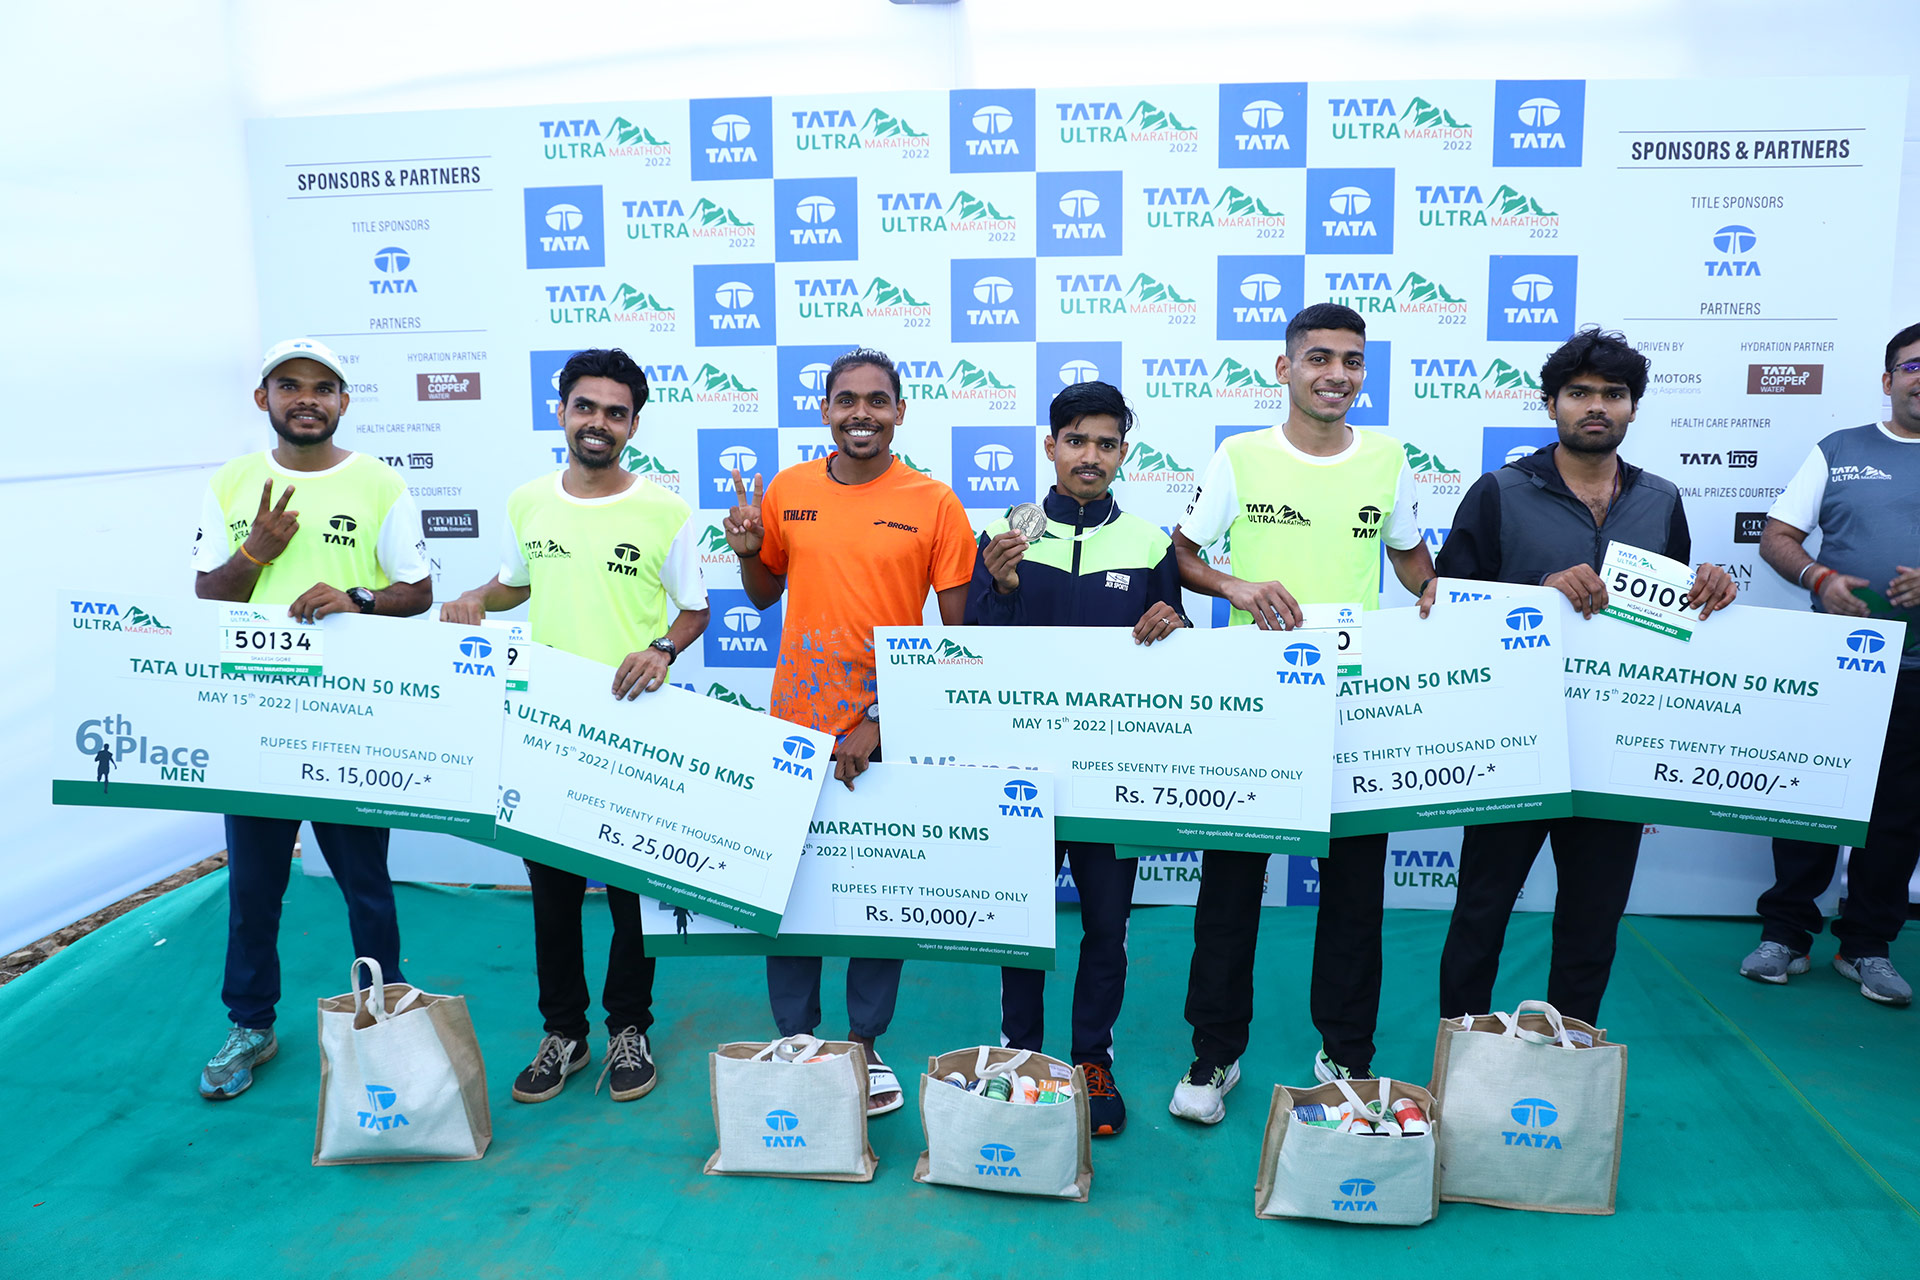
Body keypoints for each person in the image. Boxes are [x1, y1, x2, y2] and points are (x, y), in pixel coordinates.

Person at [1166, 304, 1437, 1125]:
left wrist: (1442, 598)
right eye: (1319, 358)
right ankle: (1214, 1055)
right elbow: (1183, 555)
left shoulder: (1389, 459)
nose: (1336, 374)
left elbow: (1411, 558)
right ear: (1284, 369)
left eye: (1351, 360)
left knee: (1354, 894)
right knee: (1230, 892)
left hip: (1354, 709)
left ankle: (1346, 1054)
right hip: (1255, 710)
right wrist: (1236, 586)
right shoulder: (1240, 456)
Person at [1435, 327, 1736, 1025]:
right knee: (1481, 911)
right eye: (1578, 393)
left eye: (1613, 393)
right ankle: (1462, 1050)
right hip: (1515, 742)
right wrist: (1538, 591)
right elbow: (1446, 606)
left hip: (1615, 749)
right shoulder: (1499, 491)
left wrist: (1709, 590)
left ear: (1633, 407)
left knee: (1593, 920)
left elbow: (1671, 620)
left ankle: (1570, 1055)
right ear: (1551, 404)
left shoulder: (1661, 499)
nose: (1596, 406)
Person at [442, 347, 710, 1100]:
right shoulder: (528, 501)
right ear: (560, 411)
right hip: (546, 732)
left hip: (632, 733)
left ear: (633, 426)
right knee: (553, 898)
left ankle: (630, 1028)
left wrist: (661, 650)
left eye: (615, 413)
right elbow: (514, 584)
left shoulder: (665, 511)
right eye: (585, 406)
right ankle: (564, 1032)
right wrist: (475, 598)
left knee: (630, 898)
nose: (599, 422)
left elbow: (694, 610)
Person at [723, 346, 975, 1115]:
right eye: (846, 400)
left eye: (876, 400)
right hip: (792, 728)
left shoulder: (935, 502)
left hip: (882, 733)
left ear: (900, 412)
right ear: (825, 410)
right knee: (790, 894)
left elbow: (959, 640)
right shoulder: (788, 489)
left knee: (875, 890)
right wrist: (747, 556)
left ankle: (865, 1044)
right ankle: (796, 1040)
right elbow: (763, 594)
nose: (861, 413)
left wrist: (881, 719)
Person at [191, 337, 432, 1099]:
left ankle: (384, 1012)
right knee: (254, 888)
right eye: (289, 385)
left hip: (348, 722)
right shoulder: (232, 482)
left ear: (343, 402)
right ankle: (250, 1024)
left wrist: (356, 598)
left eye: (322, 388)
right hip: (257, 720)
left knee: (367, 886)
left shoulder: (379, 483)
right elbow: (208, 595)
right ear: (262, 399)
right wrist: (256, 554)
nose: (306, 399)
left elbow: (418, 592)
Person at [966, 380, 1187, 1136]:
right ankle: (1020, 1056)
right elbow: (974, 654)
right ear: (1051, 445)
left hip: (1113, 778)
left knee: (1106, 927)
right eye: (1076, 440)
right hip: (1022, 775)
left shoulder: (1150, 544)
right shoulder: (1005, 534)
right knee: (1020, 923)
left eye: (1106, 443)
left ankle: (1092, 1059)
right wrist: (1001, 588)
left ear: (1124, 453)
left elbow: (1179, 659)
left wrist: (1175, 624)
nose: (1090, 456)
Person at [1738, 322, 1920, 1007]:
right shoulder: (1840, 449)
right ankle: (1784, 935)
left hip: (1916, 673)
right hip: (1835, 667)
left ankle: (1866, 946)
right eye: (1913, 366)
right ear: (1888, 380)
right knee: (1809, 800)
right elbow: (1777, 537)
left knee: (1896, 816)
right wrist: (1819, 578)